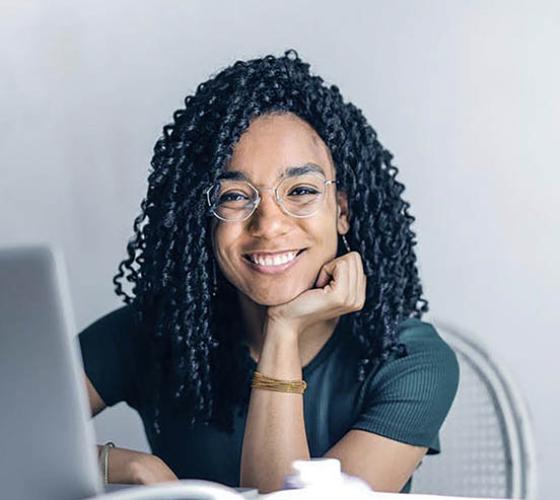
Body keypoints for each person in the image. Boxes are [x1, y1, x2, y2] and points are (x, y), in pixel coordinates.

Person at [79, 49, 460, 494]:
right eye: (235, 196)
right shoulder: (155, 332)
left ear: (342, 211)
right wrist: (117, 464)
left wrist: (283, 329)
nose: (270, 225)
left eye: (300, 190)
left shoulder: (409, 361)